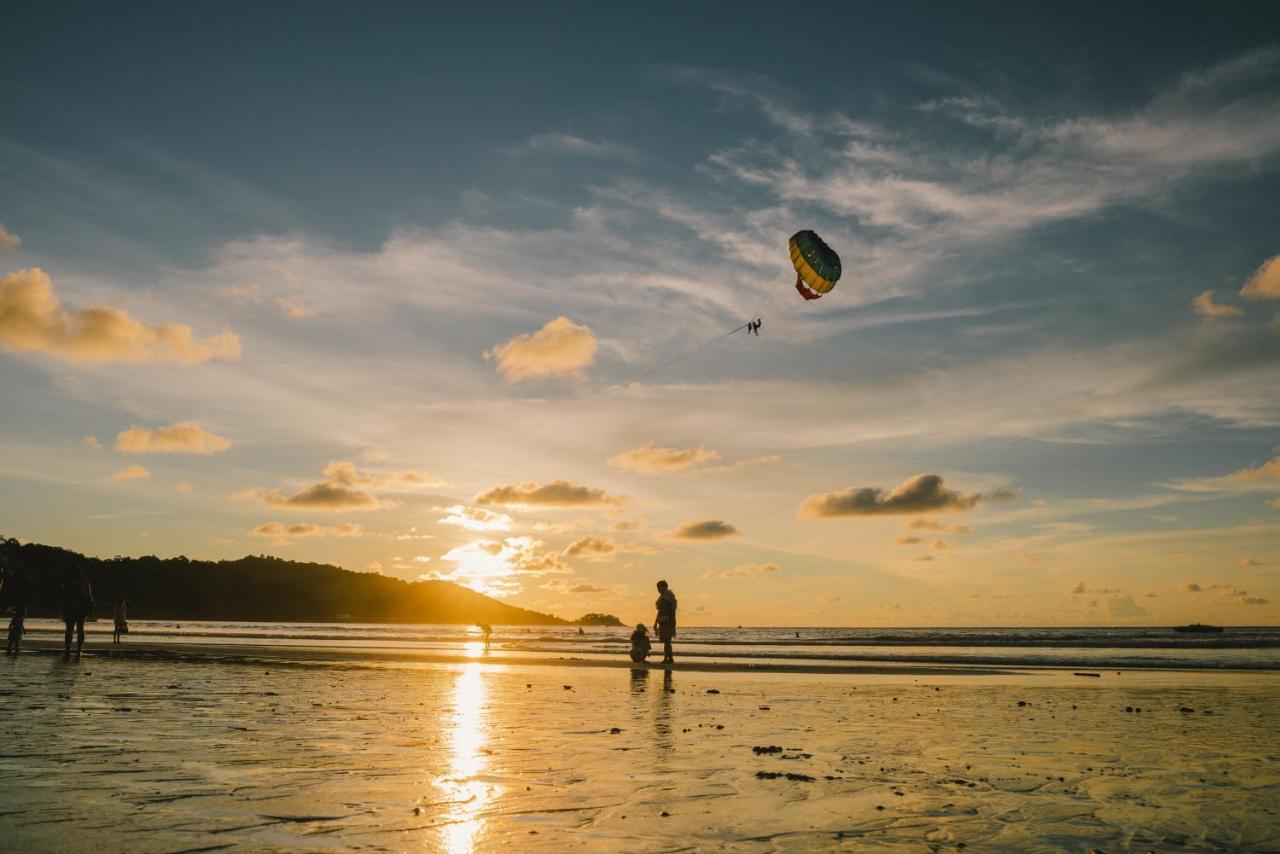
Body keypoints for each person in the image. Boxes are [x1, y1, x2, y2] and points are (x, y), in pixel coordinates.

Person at [62, 563, 94, 660]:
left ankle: (68, 650)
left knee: (69, 630)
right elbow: (90, 597)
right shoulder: (85, 582)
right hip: (81, 609)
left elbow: (65, 596)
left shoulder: (69, 582)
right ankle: (78, 650)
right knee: (80, 630)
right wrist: (91, 608)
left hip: (70, 609)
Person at [653, 580, 677, 664]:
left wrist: (673, 624)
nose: (658, 590)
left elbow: (673, 612)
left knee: (667, 641)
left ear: (664, 587)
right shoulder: (661, 597)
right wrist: (655, 622)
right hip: (662, 621)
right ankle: (668, 658)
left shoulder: (670, 597)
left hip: (668, 621)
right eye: (657, 588)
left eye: (659, 588)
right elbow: (659, 612)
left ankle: (668, 658)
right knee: (666, 641)